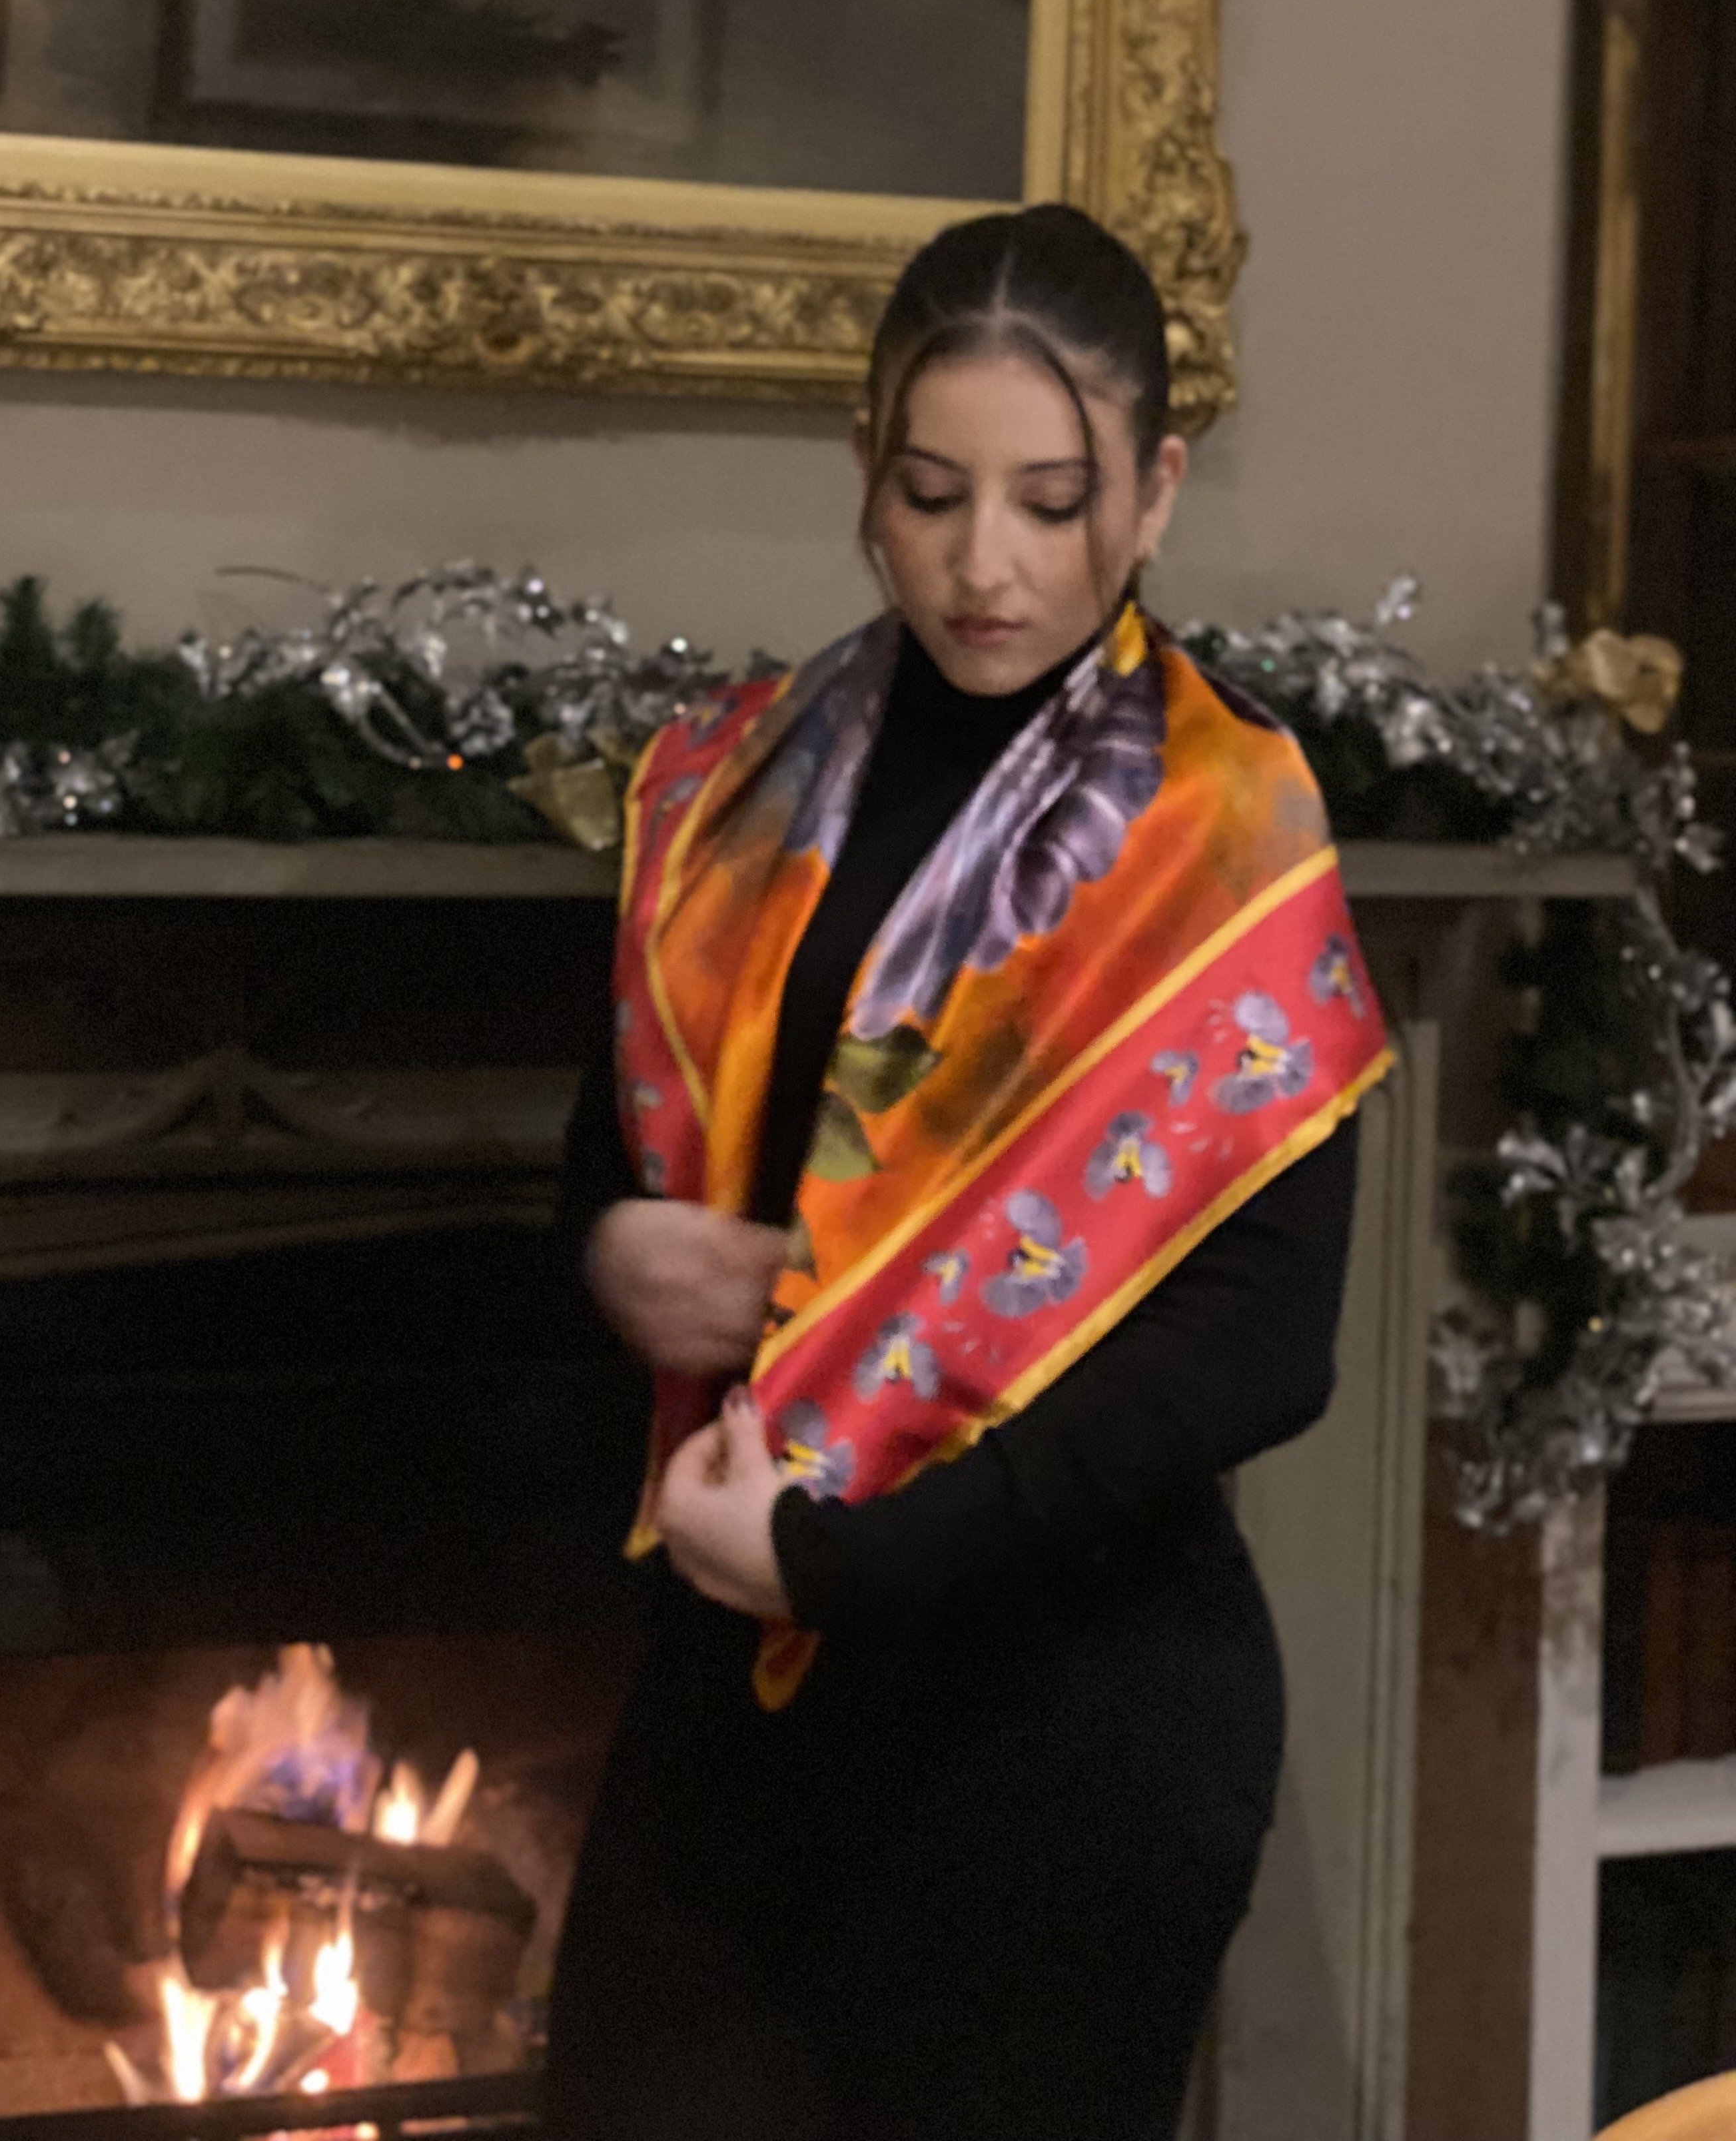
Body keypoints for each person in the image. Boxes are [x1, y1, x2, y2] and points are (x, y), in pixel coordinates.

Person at [541, 205, 1390, 2141]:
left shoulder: (1222, 824)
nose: (986, 565)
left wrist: (844, 1561)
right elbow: (610, 1153)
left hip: (1056, 1729)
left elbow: (1263, 1349)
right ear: (867, 473)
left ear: (1156, 492)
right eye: (932, 494)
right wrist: (614, 1253)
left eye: (1050, 498)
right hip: (729, 1700)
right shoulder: (732, 780)